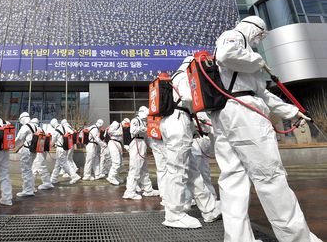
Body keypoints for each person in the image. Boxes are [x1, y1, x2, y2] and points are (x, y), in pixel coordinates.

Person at [212, 15, 320, 242]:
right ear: (254, 29)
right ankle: (297, 239)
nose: (259, 40)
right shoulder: (234, 36)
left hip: (229, 112)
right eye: (261, 35)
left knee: (233, 178)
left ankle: (238, 239)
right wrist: (258, 60)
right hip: (243, 115)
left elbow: (262, 93)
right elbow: (226, 55)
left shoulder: (243, 58)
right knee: (270, 176)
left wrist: (291, 112)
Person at [160, 57, 220, 228]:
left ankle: (209, 209)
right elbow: (187, 97)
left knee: (193, 171)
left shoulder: (176, 76)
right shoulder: (184, 75)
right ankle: (174, 215)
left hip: (178, 121)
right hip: (178, 121)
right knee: (177, 170)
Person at [122, 106, 159, 200]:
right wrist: (144, 128)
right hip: (136, 143)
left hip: (142, 143)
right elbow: (133, 131)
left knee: (144, 169)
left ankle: (148, 189)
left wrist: (153, 147)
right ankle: (130, 192)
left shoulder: (143, 121)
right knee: (135, 168)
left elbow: (147, 137)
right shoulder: (135, 120)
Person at [49, 118, 81, 185]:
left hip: (60, 149)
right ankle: (53, 179)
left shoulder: (56, 131)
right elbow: (72, 132)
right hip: (66, 147)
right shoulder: (64, 127)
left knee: (64, 164)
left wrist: (47, 147)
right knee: (57, 165)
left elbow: (52, 142)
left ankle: (75, 176)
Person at [14, 112, 37, 197]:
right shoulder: (35, 126)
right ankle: (31, 188)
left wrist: (11, 145)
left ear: (23, 118)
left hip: (27, 150)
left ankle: (27, 190)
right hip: (34, 150)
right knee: (29, 170)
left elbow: (19, 138)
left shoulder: (25, 127)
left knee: (26, 170)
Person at [30, 118, 54, 191]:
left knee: (40, 166)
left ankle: (47, 183)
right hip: (42, 150)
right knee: (34, 168)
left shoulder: (33, 129)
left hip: (37, 151)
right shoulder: (41, 129)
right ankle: (31, 185)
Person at [106, 121, 124, 185]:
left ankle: (116, 175)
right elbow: (109, 131)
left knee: (121, 163)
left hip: (118, 143)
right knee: (116, 162)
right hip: (113, 142)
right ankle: (111, 176)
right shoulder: (116, 124)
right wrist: (120, 133)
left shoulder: (122, 127)